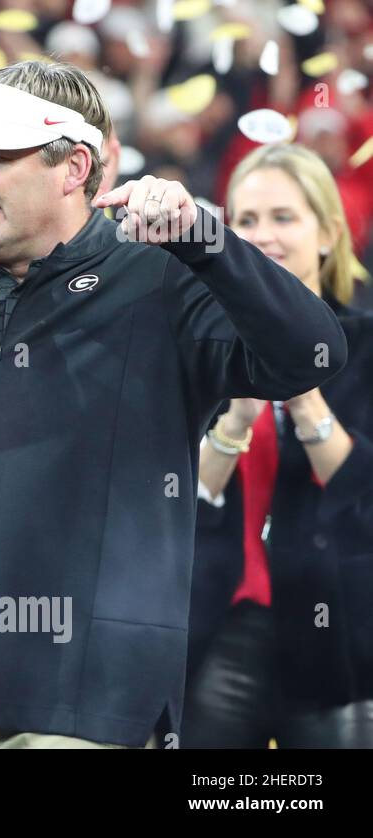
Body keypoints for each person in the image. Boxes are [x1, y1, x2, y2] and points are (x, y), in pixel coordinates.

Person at [0, 60, 346, 749]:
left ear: (73, 167)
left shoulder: (162, 272)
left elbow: (311, 354)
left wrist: (205, 241)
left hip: (96, 705)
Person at [185, 143, 373, 748]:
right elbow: (180, 502)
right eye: (246, 220)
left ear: (328, 234)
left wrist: (301, 390)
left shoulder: (365, 344)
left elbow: (362, 497)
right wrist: (234, 425)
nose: (263, 236)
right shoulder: (204, 342)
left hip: (334, 630)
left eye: (283, 217)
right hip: (219, 625)